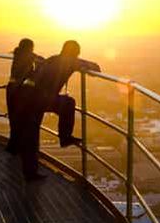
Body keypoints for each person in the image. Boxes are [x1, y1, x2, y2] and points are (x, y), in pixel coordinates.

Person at [18, 40, 100, 180]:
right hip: (40, 99)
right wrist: (81, 63)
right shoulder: (71, 61)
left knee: (31, 135)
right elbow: (96, 68)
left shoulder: (53, 59)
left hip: (28, 97)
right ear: (76, 53)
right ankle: (65, 137)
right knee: (68, 103)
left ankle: (30, 172)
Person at [5, 38, 40, 154]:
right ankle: (17, 148)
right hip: (19, 91)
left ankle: (12, 147)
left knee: (14, 120)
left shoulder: (18, 55)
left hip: (11, 89)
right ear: (30, 48)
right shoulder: (28, 57)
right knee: (21, 120)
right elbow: (32, 70)